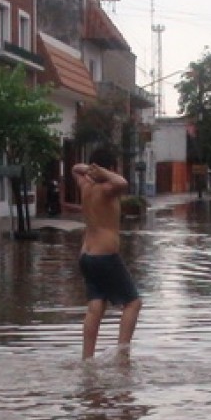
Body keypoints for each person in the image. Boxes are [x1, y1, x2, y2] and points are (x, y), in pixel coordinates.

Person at [73, 148, 140, 360]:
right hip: (105, 257)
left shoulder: (85, 185)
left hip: (87, 256)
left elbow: (76, 168)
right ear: (110, 169)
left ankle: (87, 359)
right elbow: (122, 183)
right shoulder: (107, 188)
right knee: (133, 303)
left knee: (96, 306)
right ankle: (123, 355)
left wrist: (91, 170)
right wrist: (102, 172)